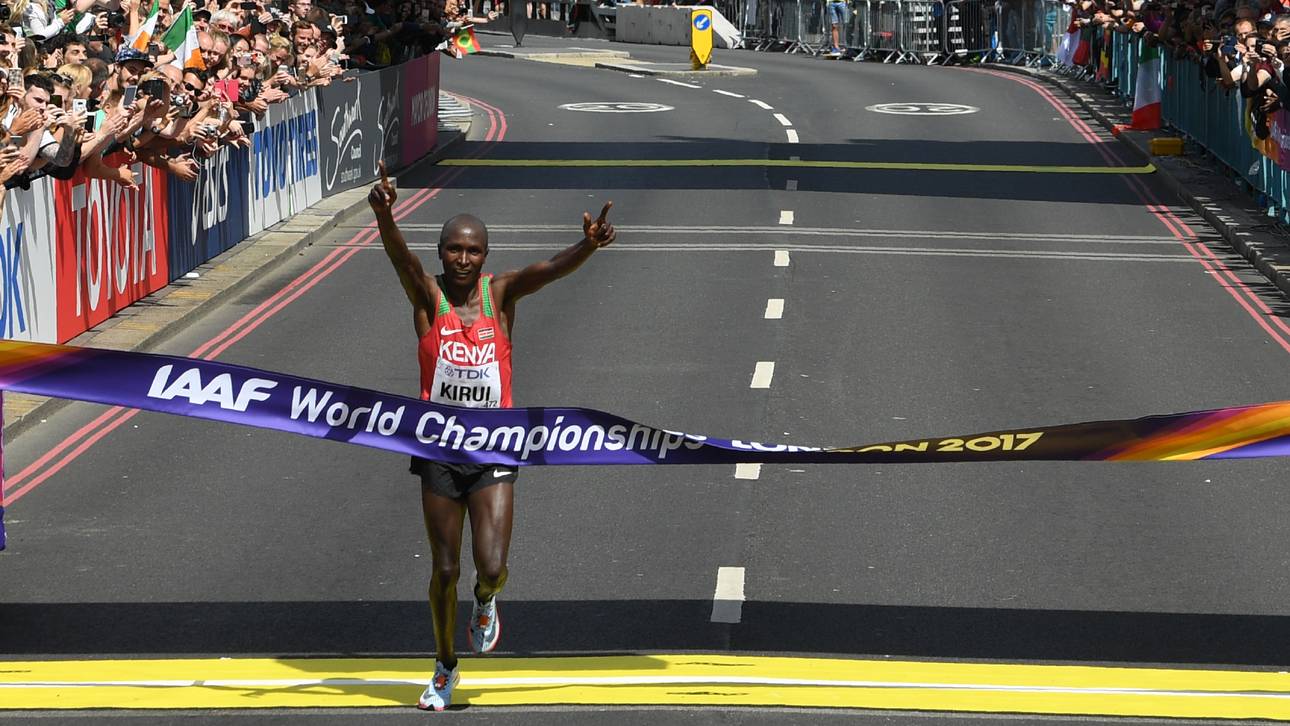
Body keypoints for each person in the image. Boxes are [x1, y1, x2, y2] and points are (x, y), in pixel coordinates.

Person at [367, 161, 616, 712]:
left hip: (494, 446)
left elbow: (548, 270)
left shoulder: (499, 296)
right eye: (454, 250)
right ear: (441, 253)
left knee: (492, 566)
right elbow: (400, 259)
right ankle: (444, 666)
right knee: (444, 569)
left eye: (473, 251)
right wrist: (385, 216)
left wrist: (588, 246)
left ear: (485, 256)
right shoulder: (427, 297)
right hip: (438, 449)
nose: (463, 259)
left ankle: (485, 601)